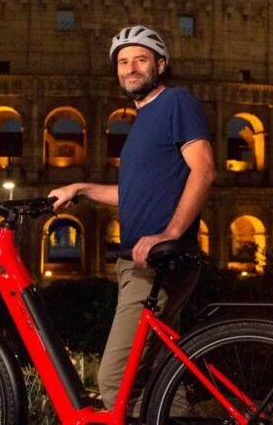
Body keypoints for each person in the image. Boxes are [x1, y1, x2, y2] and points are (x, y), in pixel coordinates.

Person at [49, 25, 216, 410]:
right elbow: (134, 195)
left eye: (141, 59)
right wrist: (82, 188)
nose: (131, 68)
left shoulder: (175, 102)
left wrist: (169, 233)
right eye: (123, 62)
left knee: (114, 379)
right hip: (139, 262)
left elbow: (203, 169)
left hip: (155, 263)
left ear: (161, 64)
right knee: (160, 381)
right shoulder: (141, 122)